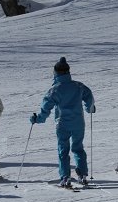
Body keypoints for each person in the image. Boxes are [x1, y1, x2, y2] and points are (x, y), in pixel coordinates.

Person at [29, 57, 95, 188]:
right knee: (78, 148)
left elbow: (46, 107)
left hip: (63, 124)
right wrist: (90, 108)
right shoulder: (78, 86)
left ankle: (65, 177)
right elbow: (89, 96)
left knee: (63, 150)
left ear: (56, 73)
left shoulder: (55, 89)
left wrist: (38, 119)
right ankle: (82, 175)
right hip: (78, 123)